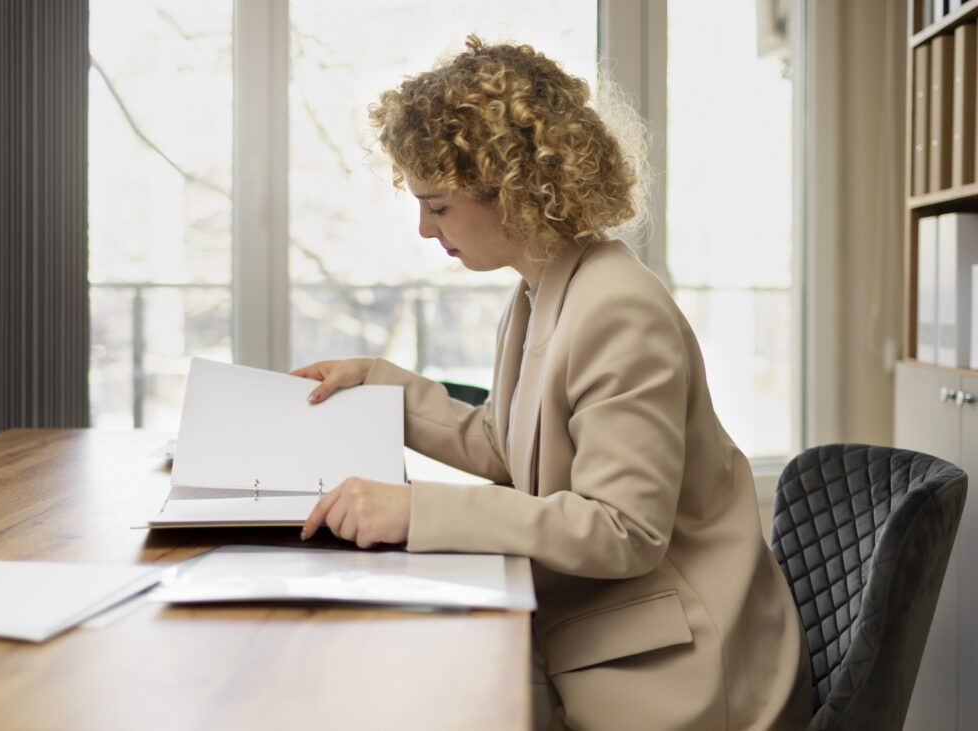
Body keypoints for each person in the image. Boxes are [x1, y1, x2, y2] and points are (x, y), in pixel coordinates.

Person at [292, 36, 812, 731]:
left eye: (439, 205)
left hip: (679, 668)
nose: (423, 228)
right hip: (607, 636)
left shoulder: (615, 306)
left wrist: (418, 510)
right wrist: (380, 387)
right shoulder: (544, 290)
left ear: (509, 189)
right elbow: (509, 445)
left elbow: (623, 529)